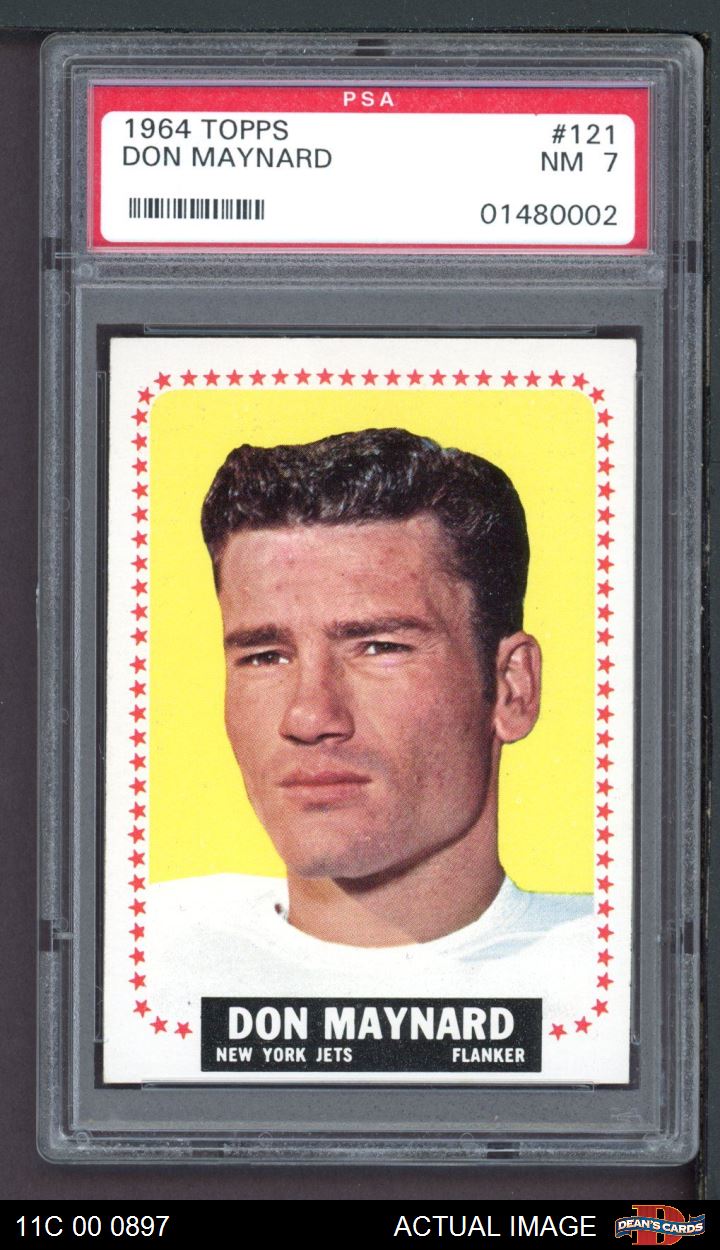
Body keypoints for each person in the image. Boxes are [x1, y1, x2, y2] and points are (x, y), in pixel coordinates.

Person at [148, 428, 593, 1006]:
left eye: (380, 647)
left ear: (512, 689)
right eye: (265, 656)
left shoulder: (615, 977)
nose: (309, 716)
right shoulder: (138, 960)